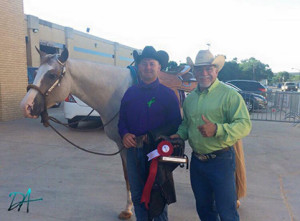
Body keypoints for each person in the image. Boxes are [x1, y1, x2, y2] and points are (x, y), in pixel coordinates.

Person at [171, 49, 252, 221]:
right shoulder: (190, 99)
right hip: (197, 164)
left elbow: (245, 125)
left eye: (209, 69)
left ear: (216, 70)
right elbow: (187, 125)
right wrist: (178, 135)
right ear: (194, 72)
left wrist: (217, 129)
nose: (204, 73)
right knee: (204, 209)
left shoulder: (230, 95)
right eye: (199, 69)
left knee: (227, 211)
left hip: (221, 161)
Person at [118, 46, 182, 221]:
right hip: (133, 151)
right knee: (138, 196)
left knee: (158, 197)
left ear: (159, 67)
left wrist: (153, 135)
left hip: (158, 153)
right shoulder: (130, 94)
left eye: (152, 64)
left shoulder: (168, 95)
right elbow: (122, 120)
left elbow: (175, 123)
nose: (148, 67)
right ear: (138, 67)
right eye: (144, 63)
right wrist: (124, 134)